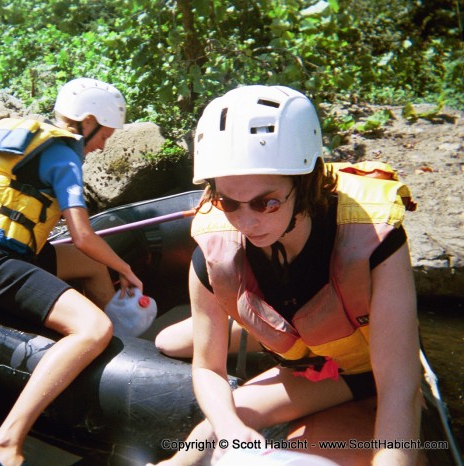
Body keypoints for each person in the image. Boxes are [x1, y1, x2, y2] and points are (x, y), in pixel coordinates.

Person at [153, 85, 422, 465]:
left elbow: (398, 387)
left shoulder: (375, 242)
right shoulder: (214, 251)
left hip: (365, 372)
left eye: (267, 202)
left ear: (306, 183)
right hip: (303, 360)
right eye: (229, 202)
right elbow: (208, 369)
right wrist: (230, 428)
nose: (246, 222)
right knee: (202, 439)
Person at [0, 77, 143, 466]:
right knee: (93, 328)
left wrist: (107, 266)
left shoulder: (45, 142)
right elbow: (83, 235)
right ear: (88, 121)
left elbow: (83, 252)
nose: (104, 143)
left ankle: (124, 356)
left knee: (89, 267)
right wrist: (126, 269)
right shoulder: (65, 156)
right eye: (105, 133)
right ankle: (5, 444)